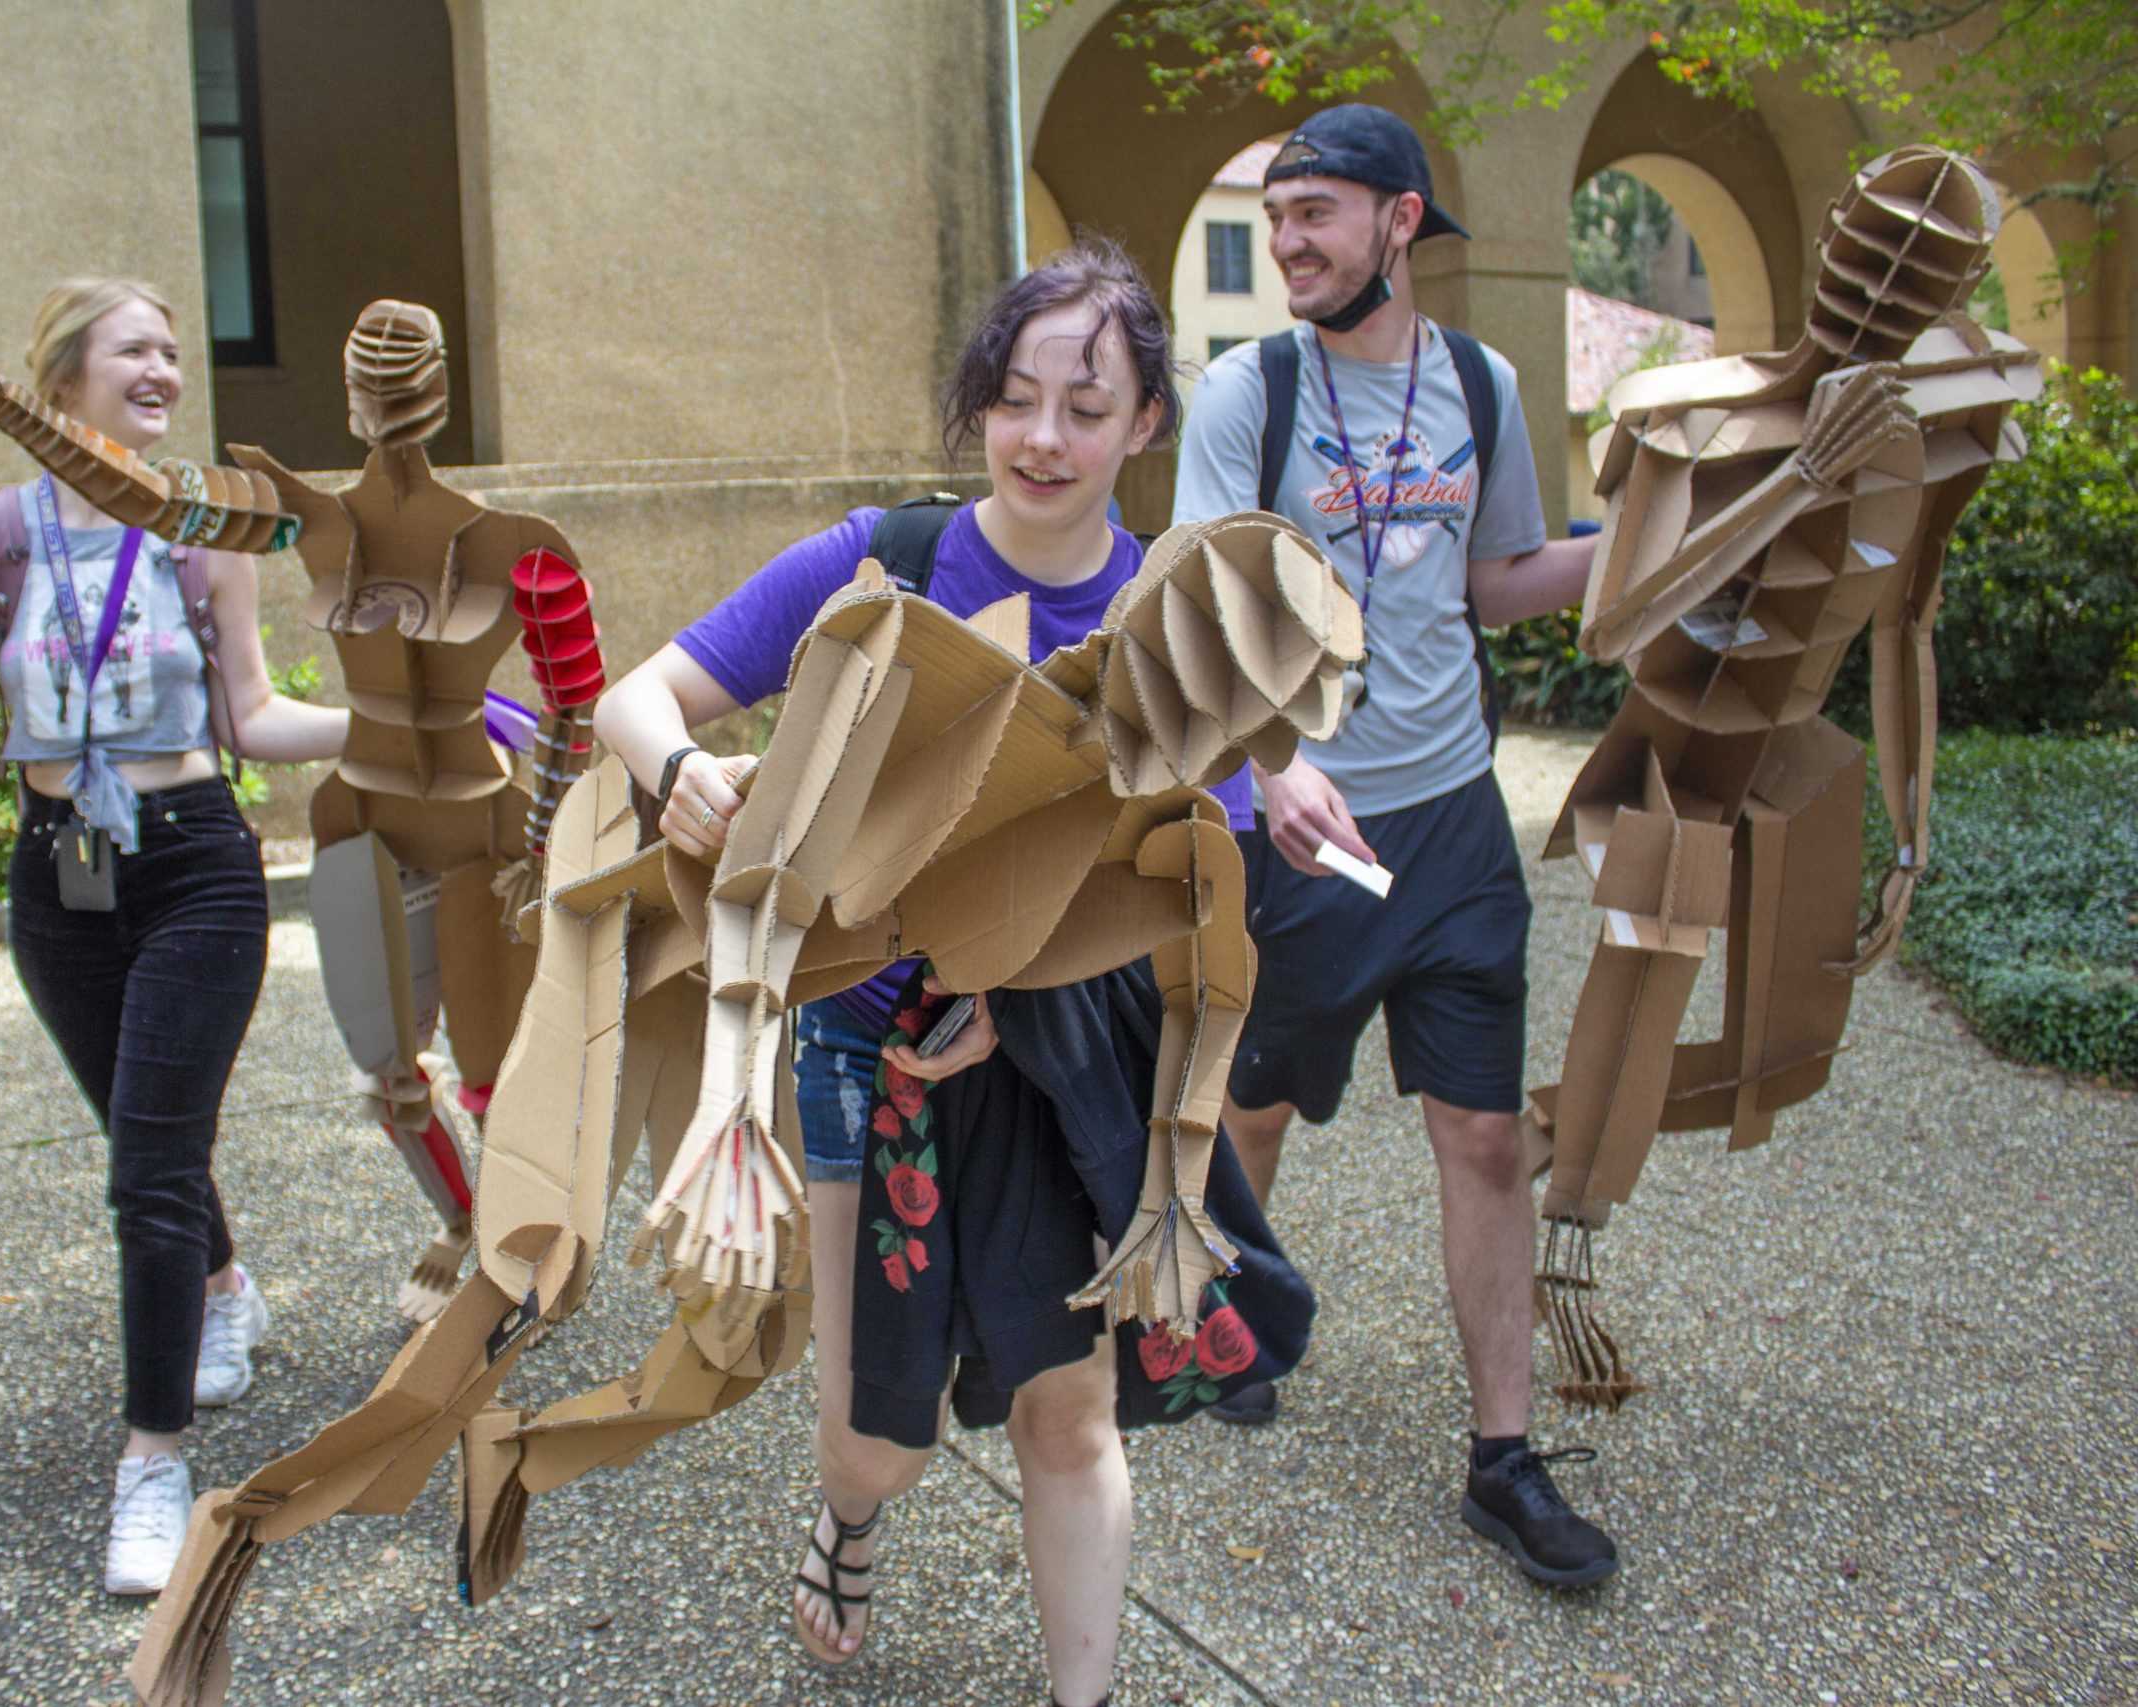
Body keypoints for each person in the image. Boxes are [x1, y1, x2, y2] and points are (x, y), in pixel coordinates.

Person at [595, 238, 1262, 1707]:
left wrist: (1054, 1005)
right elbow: (633, 695)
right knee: (872, 1437)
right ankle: (847, 1514)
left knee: (1068, 1417)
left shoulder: (1175, 627)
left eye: (1086, 410)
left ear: (1146, 425)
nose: (1042, 438)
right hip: (860, 1048)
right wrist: (688, 772)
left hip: (1061, 1063)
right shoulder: (882, 563)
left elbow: (1205, 891)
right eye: (1017, 398)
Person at [1168, 106, 1618, 1586]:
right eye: (1278, 212)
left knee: (1484, 1136)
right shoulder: (1252, 395)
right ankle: (1225, 1313)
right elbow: (1202, 610)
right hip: (1310, 828)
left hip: (1458, 825)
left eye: (1316, 212)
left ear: (1399, 221)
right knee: (1260, 1101)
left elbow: (1495, 582)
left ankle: (1503, 1457)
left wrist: (1649, 549)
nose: (1288, 238)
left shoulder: (1479, 385)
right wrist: (1273, 766)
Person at [0, 278, 350, 1596]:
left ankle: (152, 1467)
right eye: (135, 350)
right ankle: (222, 1289)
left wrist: (407, 726)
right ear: (62, 378)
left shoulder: (203, 534)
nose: (166, 370)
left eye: (174, 351)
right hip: (59, 880)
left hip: (199, 871)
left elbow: (255, 713)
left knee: (145, 1173)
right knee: (143, 1141)